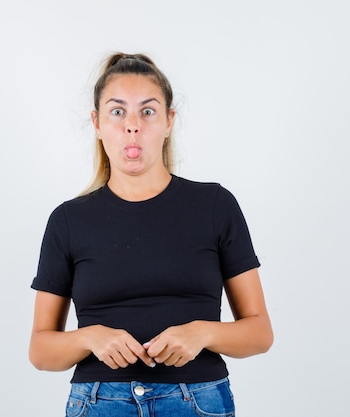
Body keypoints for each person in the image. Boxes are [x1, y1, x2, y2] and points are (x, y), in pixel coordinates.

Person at [29, 52, 273, 417]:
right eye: (117, 111)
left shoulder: (215, 205)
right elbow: (40, 350)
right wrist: (89, 337)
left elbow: (260, 333)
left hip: (198, 400)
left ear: (168, 121)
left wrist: (204, 333)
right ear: (96, 123)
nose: (132, 126)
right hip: (99, 402)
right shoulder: (68, 220)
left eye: (147, 111)